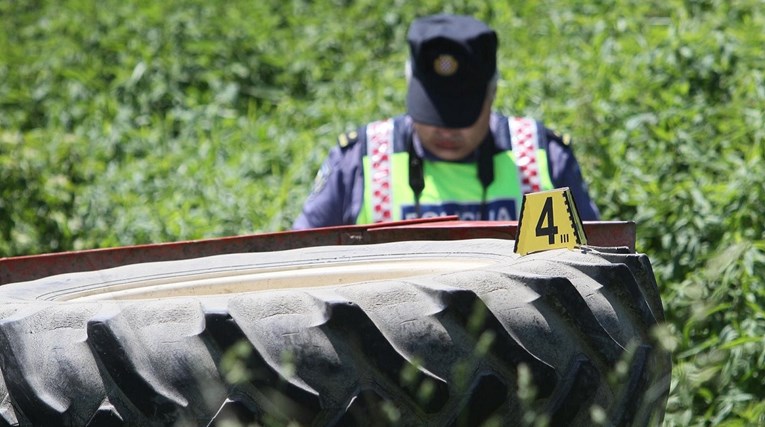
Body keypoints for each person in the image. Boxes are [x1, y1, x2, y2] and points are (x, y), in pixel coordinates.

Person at [293, 14, 599, 229]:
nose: (446, 129)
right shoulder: (360, 160)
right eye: (433, 113)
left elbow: (597, 265)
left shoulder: (543, 157)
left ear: (492, 93)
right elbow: (299, 261)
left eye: (461, 114)